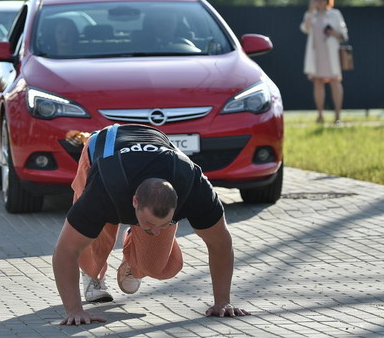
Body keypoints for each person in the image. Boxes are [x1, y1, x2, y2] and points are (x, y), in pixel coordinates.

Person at [53, 124, 250, 326]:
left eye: (163, 224)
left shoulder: (195, 188)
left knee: (157, 266)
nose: (155, 231)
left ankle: (132, 247)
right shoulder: (103, 188)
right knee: (93, 250)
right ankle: (94, 276)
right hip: (104, 149)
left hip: (152, 152)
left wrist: (222, 301)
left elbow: (220, 244)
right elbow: (66, 249)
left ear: (178, 203)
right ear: (135, 201)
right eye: (150, 223)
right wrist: (74, 310)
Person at [299, 0, 349, 124]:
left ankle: (337, 116)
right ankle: (320, 115)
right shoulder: (311, 14)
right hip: (316, 54)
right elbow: (305, 28)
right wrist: (311, 11)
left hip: (331, 54)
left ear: (328, 0)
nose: (320, 0)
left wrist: (333, 33)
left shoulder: (335, 14)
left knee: (335, 82)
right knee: (318, 83)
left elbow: (344, 35)